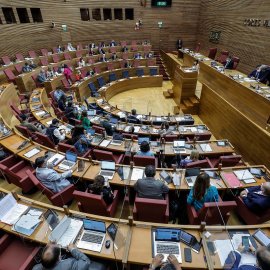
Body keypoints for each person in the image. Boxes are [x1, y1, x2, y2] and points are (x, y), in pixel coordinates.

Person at [33, 241, 106, 270]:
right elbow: (86, 261)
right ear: (59, 257)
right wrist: (72, 249)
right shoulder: (70, 265)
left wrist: (52, 245)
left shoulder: (36, 268)